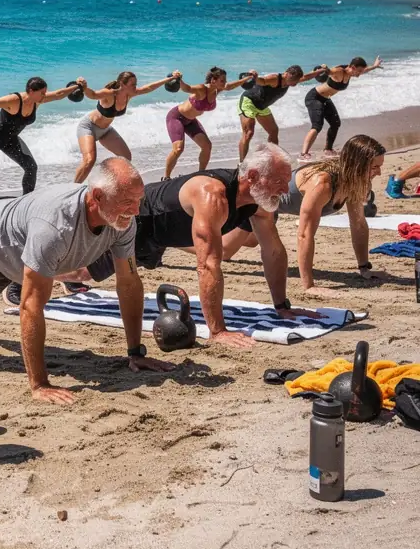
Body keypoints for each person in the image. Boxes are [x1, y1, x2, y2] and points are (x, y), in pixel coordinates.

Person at [0, 158, 174, 405]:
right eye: (127, 202)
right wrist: (39, 384)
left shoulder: (121, 221)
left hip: (18, 252)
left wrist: (135, 353)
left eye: (138, 200)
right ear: (97, 196)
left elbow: (128, 282)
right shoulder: (54, 227)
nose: (135, 210)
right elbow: (31, 306)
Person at [84, 145, 296, 349]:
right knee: (81, 272)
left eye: (287, 181)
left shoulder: (260, 200)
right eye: (279, 181)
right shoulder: (212, 195)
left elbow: (273, 250)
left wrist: (282, 307)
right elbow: (208, 266)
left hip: (165, 236)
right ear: (252, 176)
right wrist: (218, 331)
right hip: (138, 222)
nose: (286, 189)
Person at [224, 135, 391, 296]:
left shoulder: (353, 182)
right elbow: (304, 234)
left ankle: (218, 234)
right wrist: (309, 285)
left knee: (252, 241)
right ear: (357, 165)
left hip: (271, 209)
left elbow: (358, 224)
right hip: (258, 201)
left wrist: (364, 268)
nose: (380, 173)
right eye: (375, 167)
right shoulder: (323, 183)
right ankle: (199, 241)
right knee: (224, 252)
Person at [0, 77, 81, 200]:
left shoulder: (38, 101)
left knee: (31, 167)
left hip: (10, 139)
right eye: (42, 92)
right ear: (31, 91)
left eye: (45, 92)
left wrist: (77, 86)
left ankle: (25, 202)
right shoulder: (14, 100)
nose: (44, 95)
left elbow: (58, 94)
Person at [73, 70, 179, 183]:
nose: (135, 87)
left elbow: (149, 88)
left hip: (105, 131)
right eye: (132, 84)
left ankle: (107, 181)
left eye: (136, 84)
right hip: (89, 127)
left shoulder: (129, 95)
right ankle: (72, 189)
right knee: (89, 160)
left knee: (126, 157)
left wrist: (168, 79)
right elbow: (93, 95)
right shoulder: (109, 94)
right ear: (123, 84)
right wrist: (84, 87)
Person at [164, 67, 253, 178]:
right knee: (178, 149)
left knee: (207, 146)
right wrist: (179, 79)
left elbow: (230, 86)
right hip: (176, 118)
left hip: (190, 121)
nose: (225, 83)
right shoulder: (201, 89)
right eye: (222, 80)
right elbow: (187, 88)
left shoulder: (217, 90)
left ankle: (201, 174)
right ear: (213, 80)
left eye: (225, 80)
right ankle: (166, 177)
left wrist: (247, 78)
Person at [237, 65, 327, 160]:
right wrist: (255, 76)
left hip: (262, 107)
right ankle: (241, 164)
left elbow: (306, 77)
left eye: (296, 80)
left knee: (273, 131)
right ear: (287, 74)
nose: (295, 83)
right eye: (294, 80)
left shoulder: (291, 80)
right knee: (249, 133)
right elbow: (262, 81)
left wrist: (321, 71)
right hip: (249, 102)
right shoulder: (275, 78)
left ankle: (271, 159)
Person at [300, 56, 381, 161]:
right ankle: (303, 154)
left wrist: (374, 66)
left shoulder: (351, 73)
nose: (360, 74)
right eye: (359, 71)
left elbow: (365, 70)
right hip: (314, 98)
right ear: (352, 67)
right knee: (317, 126)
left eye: (361, 71)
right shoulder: (339, 71)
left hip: (325, 99)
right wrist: (325, 68)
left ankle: (328, 149)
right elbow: (330, 72)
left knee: (335, 123)